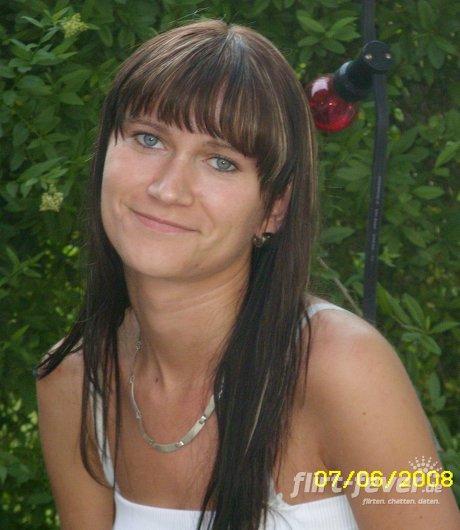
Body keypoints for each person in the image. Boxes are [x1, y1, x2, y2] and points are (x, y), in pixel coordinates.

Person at [34, 18, 459, 530]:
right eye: (148, 139)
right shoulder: (75, 382)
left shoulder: (342, 366)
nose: (168, 189)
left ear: (273, 209)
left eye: (221, 162)